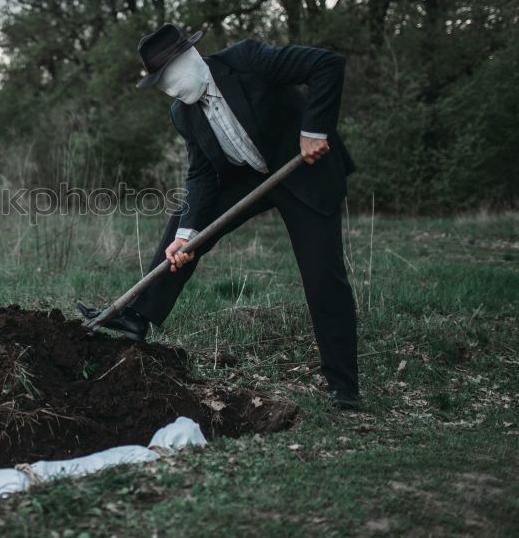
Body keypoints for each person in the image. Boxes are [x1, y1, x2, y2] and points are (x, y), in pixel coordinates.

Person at [78, 24, 360, 410]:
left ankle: (344, 387)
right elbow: (201, 175)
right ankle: (136, 317)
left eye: (170, 77)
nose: (170, 90)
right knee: (183, 224)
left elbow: (327, 64)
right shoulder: (183, 113)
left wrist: (315, 129)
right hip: (249, 178)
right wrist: (188, 235)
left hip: (302, 171)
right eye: (160, 84)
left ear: (190, 58)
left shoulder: (247, 60)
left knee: (321, 275)